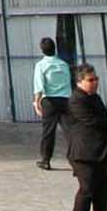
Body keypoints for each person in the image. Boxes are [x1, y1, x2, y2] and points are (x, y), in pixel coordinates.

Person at [67, 64, 107, 211]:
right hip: (84, 154)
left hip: (100, 153)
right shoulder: (76, 100)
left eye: (96, 79)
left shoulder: (95, 98)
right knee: (87, 190)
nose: (95, 83)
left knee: (104, 193)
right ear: (80, 82)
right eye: (91, 80)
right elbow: (93, 122)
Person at [31, 37, 73, 169]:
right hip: (65, 100)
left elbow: (39, 86)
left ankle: (46, 160)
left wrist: (36, 102)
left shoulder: (41, 65)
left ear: (42, 50)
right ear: (55, 48)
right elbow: (69, 84)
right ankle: (76, 161)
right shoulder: (64, 64)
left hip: (49, 100)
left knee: (48, 132)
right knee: (70, 132)